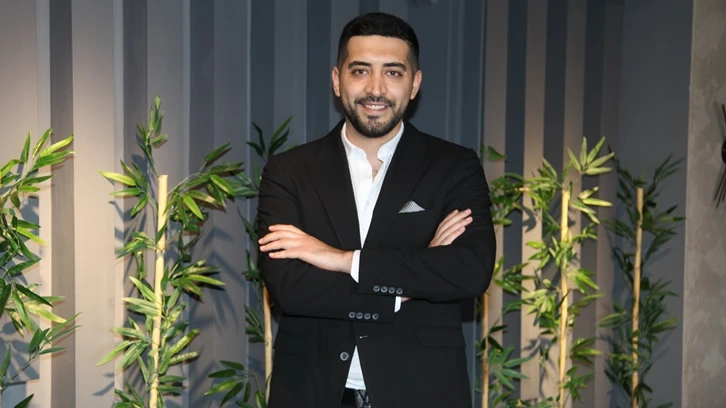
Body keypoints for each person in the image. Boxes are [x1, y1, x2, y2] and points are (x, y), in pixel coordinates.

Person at [257, 11, 495, 408]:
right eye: (361, 71)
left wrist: (340, 259)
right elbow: (291, 288)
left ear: (414, 84)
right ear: (337, 80)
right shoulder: (289, 170)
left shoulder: (453, 166)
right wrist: (410, 285)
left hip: (422, 391)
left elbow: (469, 271)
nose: (375, 89)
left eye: (393, 72)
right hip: (310, 389)